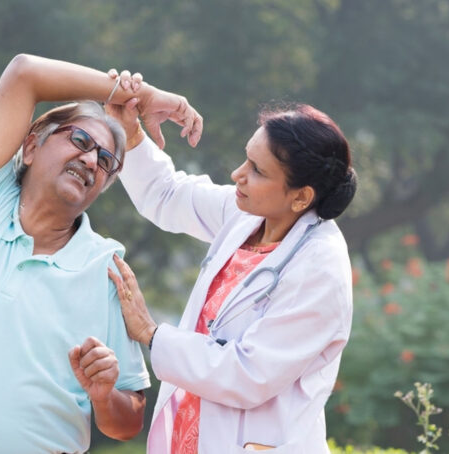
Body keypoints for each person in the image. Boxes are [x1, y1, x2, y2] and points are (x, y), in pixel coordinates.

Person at [0, 55, 203, 454]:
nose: (92, 160)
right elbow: (24, 73)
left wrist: (104, 394)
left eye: (106, 161)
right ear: (29, 147)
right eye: (80, 141)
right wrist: (138, 96)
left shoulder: (106, 267)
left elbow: (127, 423)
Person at [105, 93, 357, 453]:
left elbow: (248, 374)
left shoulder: (320, 268)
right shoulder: (249, 216)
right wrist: (129, 133)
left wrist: (151, 334)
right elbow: (167, 194)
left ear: (301, 198)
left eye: (257, 170)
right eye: (246, 159)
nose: (238, 174)